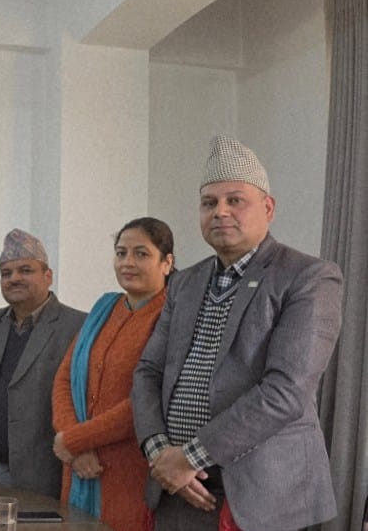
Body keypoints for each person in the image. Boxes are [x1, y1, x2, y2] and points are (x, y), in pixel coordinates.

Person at [132, 136, 343, 530]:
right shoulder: (185, 283)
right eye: (209, 203)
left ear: (268, 208)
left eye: (235, 200)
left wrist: (190, 456)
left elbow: (286, 391)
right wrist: (160, 452)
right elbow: (148, 371)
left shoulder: (308, 277)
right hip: (176, 487)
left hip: (261, 497)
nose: (220, 212)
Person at [51, 217, 175, 531]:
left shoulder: (171, 316)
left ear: (167, 263)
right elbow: (65, 378)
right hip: (80, 465)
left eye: (141, 254)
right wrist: (75, 446)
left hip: (131, 470)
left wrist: (74, 440)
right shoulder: (104, 308)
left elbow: (147, 400)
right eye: (121, 253)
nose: (127, 262)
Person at [0, 229, 85, 497]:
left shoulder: (77, 326)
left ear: (48, 276)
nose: (14, 278)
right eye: (6, 273)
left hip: (41, 473)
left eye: (25, 270)